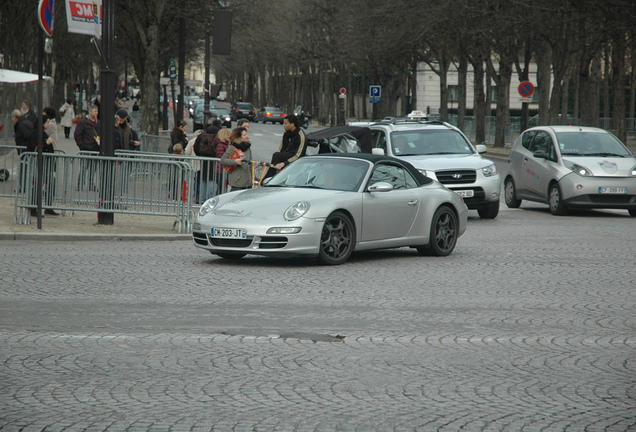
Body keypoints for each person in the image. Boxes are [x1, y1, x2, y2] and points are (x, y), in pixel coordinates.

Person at [74, 105, 100, 190]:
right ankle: (80, 184)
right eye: (94, 111)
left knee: (93, 169)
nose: (96, 113)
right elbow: (77, 134)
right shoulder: (83, 122)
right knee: (84, 168)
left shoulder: (98, 123)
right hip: (86, 148)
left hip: (95, 149)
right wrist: (82, 146)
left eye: (97, 111)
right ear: (90, 112)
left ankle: (91, 184)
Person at [221, 127, 252, 191]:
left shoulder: (248, 148)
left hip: (248, 183)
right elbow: (223, 160)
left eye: (246, 134)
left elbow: (250, 164)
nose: (247, 136)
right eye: (244, 135)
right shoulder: (232, 148)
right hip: (237, 182)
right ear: (239, 137)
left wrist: (252, 177)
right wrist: (235, 161)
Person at [194, 125, 220, 201]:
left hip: (203, 159)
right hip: (213, 160)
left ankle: (203, 199)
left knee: (203, 179)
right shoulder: (216, 136)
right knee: (211, 179)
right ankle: (210, 199)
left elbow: (195, 147)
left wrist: (200, 155)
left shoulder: (202, 136)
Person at [184, 129, 204, 202]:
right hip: (203, 163)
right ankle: (200, 194)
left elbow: (187, 152)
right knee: (202, 180)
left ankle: (197, 194)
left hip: (194, 164)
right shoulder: (204, 141)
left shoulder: (192, 141)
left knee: (196, 180)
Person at [214, 128, 231, 193]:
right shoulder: (221, 145)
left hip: (223, 170)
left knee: (223, 187)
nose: (230, 137)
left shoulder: (226, 144)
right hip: (220, 170)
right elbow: (221, 156)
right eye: (228, 135)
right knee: (221, 188)